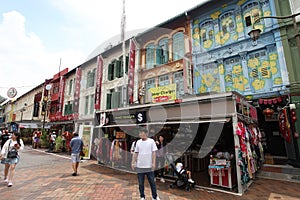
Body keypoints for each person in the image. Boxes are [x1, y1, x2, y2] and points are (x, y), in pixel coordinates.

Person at [131, 129, 160, 200]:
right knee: (141, 183)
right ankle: (142, 196)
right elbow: (136, 153)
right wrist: (133, 162)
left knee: (152, 183)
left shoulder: (151, 141)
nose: (140, 134)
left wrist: (153, 163)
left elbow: (154, 153)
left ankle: (154, 196)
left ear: (146, 134)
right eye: (139, 133)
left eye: (141, 133)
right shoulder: (138, 142)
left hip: (149, 166)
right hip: (140, 166)